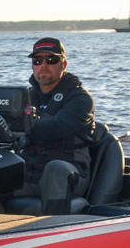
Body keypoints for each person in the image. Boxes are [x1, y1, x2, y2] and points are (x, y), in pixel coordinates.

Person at [10, 37, 96, 215]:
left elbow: (58, 126)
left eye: (51, 60)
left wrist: (17, 124)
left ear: (63, 65)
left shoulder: (81, 99)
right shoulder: (23, 98)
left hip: (70, 172)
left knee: (55, 168)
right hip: (32, 173)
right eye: (37, 60)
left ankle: (53, 230)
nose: (44, 65)